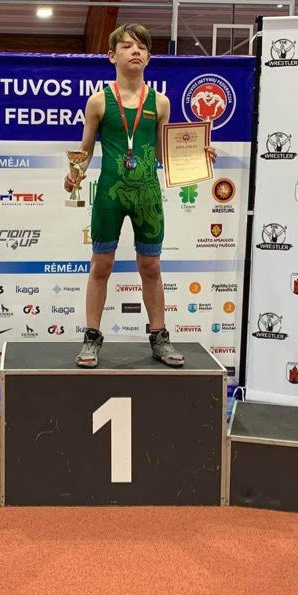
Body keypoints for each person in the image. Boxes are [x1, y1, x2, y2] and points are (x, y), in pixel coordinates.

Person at [63, 23, 214, 368]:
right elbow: (85, 148)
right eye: (128, 46)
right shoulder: (98, 101)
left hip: (147, 194)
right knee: (101, 265)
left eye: (142, 47)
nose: (136, 51)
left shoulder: (160, 102)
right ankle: (91, 338)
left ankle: (159, 337)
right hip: (110, 194)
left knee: (151, 265)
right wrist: (73, 175)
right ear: (111, 56)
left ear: (149, 57)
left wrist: (198, 154)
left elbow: (162, 152)